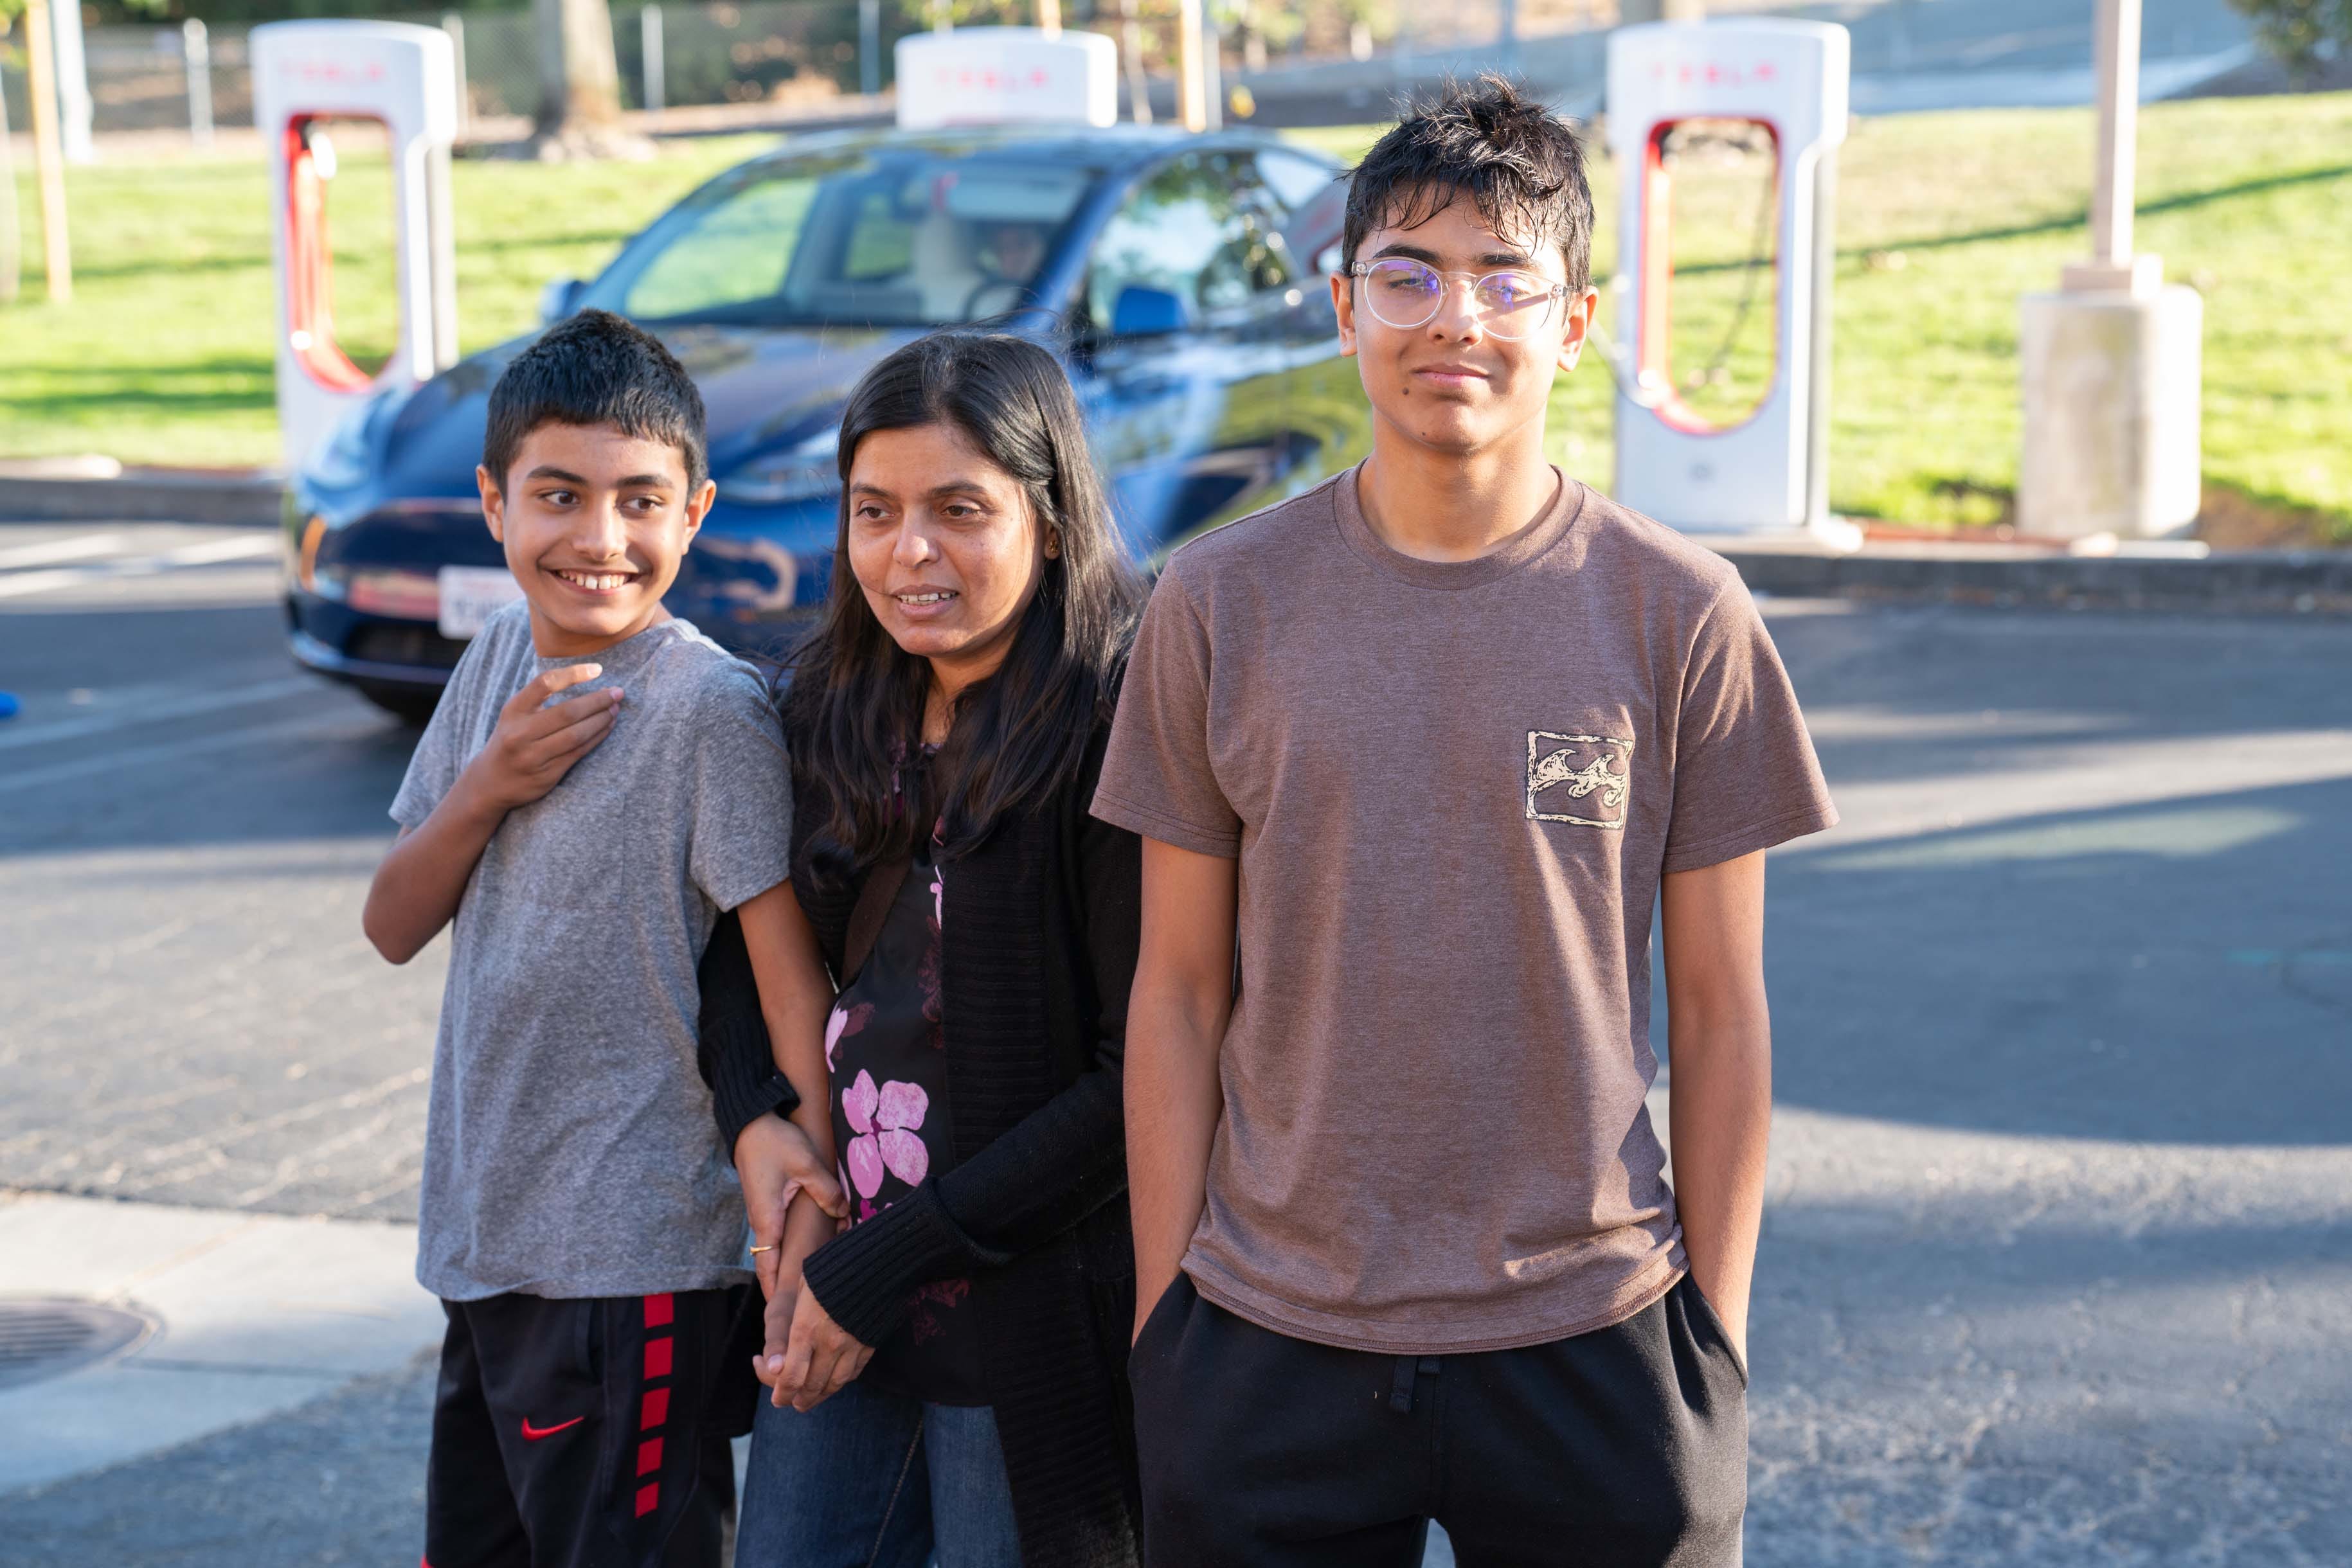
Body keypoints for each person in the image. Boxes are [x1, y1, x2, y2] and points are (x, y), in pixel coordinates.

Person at [1094, 79, 1839, 1566]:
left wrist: (1718, 1340)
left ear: (1575, 323)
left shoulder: (1681, 611)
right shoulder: (1217, 603)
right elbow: (1175, 988)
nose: (1456, 319)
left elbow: (1721, 1006)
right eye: (1409, 275)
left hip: (1599, 1328)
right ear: (1344, 307)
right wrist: (1162, 1322)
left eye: (1506, 278)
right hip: (1266, 1330)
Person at [363, 309, 842, 1568]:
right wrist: (488, 782)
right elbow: (392, 923)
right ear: (494, 502)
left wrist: (813, 1208)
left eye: (640, 501)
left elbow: (788, 978)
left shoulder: (707, 707)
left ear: (696, 512)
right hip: (486, 1240)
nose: (598, 539)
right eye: (559, 495)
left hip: (633, 1263)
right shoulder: (496, 659)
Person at [696, 330, 1147, 1567]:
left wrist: (883, 1265)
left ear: (1048, 519)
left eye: (960, 510)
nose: (910, 552)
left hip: (1026, 1303)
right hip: (839, 1273)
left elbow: (1141, 1079)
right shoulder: (832, 705)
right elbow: (743, 952)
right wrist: (759, 1124)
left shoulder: (1120, 724)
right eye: (875, 512)